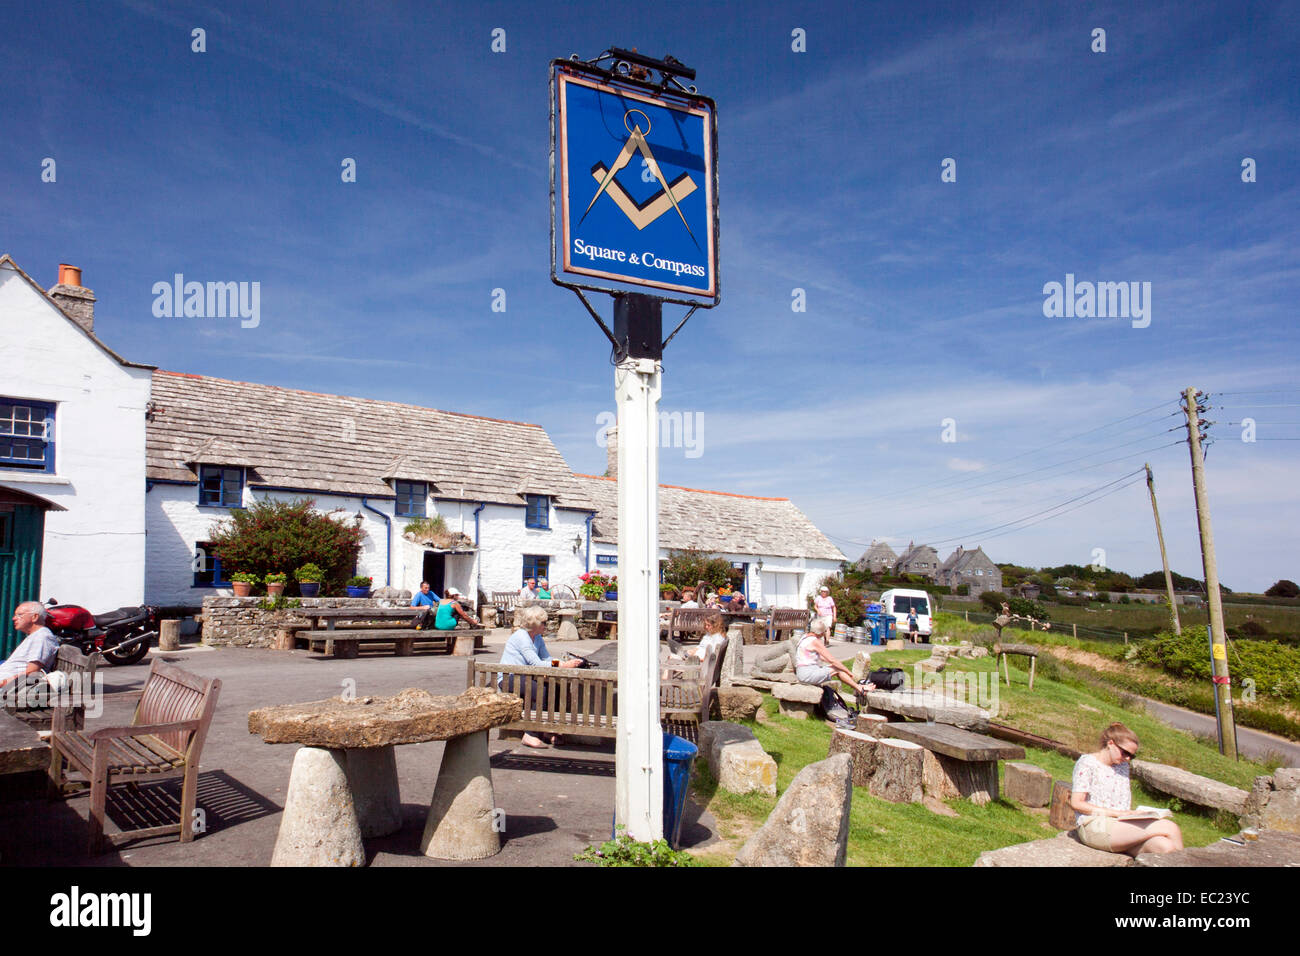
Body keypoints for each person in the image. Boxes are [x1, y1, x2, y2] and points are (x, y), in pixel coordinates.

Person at [1070, 722, 1184, 856]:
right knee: (1169, 827)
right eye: (1125, 752)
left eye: (1132, 756)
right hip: (1095, 825)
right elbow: (1076, 803)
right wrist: (1117, 813)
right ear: (1110, 743)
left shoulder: (1122, 766)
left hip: (1120, 826)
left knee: (1165, 847)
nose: (1128, 758)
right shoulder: (1087, 763)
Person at [498, 606, 583, 748]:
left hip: (524, 676)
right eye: (543, 622)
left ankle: (547, 729)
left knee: (554, 687)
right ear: (534, 623)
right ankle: (530, 734)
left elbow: (546, 658)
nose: (546, 625)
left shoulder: (537, 638)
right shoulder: (521, 637)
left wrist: (562, 663)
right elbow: (536, 663)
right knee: (539, 689)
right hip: (510, 677)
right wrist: (562, 665)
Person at [795, 619, 873, 698]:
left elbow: (822, 658)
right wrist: (848, 671)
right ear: (821, 632)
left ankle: (858, 686)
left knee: (836, 668)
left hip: (802, 672)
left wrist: (832, 665)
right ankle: (860, 689)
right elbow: (832, 660)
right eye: (824, 632)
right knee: (837, 669)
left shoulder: (804, 638)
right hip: (807, 674)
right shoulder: (814, 641)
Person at [1, 602, 61, 688]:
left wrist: (2, 683)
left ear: (34, 617)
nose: (14, 618)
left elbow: (31, 672)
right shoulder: (35, 636)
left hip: (9, 689)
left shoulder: (42, 637)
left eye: (19, 615)